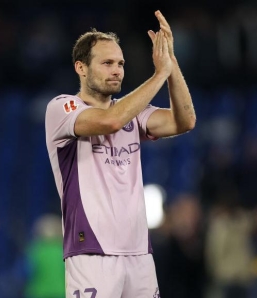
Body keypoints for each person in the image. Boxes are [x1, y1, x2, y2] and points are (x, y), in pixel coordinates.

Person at [45, 10, 196, 297]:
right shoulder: (62, 108)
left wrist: (171, 64)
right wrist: (158, 75)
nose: (117, 70)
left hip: (139, 252)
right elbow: (110, 121)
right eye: (107, 63)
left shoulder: (133, 114)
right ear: (81, 68)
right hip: (91, 252)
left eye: (120, 63)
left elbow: (185, 121)